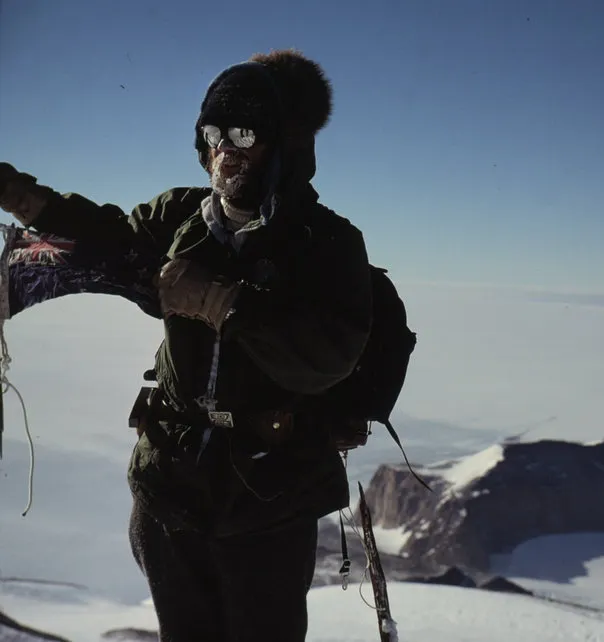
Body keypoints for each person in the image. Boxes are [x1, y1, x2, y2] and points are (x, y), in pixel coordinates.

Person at [0, 49, 373, 641]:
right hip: (170, 488)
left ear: (281, 145)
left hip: (269, 502)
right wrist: (31, 201)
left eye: (244, 132)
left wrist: (226, 302)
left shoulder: (327, 244)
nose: (224, 148)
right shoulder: (180, 215)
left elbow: (328, 355)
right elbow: (108, 241)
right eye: (213, 131)